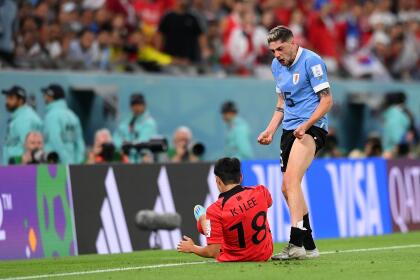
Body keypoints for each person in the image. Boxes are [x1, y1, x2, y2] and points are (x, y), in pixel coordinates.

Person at [257, 26, 333, 260]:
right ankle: (309, 246)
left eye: (280, 48)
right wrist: (270, 130)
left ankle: (295, 243)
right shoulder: (276, 66)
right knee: (287, 188)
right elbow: (282, 103)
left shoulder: (312, 61)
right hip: (290, 129)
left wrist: (307, 125)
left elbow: (327, 100)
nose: (277, 54)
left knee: (291, 182)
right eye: (272, 51)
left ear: (293, 43)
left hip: (311, 128)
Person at [177, 157, 273, 262]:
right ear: (240, 177)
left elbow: (213, 252)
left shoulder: (215, 210)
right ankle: (205, 222)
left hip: (237, 259)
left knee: (209, 221)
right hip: (265, 255)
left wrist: (192, 247)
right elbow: (269, 203)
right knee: (239, 218)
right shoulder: (261, 191)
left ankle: (203, 221)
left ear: (218, 181)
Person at [42, 84, 86, 164]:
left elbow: (54, 141)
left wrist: (66, 162)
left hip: (57, 165)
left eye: (45, 95)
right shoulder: (73, 115)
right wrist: (77, 162)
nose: (44, 97)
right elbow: (79, 142)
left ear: (51, 96)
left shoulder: (51, 115)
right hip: (73, 162)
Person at [2, 86, 42, 164]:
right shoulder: (22, 116)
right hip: (15, 166)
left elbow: (31, 147)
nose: (7, 101)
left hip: (20, 167)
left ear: (20, 101)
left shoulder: (24, 119)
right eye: (7, 98)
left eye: (11, 98)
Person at [113, 93, 158, 163]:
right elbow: (116, 140)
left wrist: (128, 145)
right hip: (125, 163)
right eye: (134, 104)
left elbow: (143, 144)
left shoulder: (150, 124)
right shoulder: (125, 123)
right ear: (130, 107)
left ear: (144, 105)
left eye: (139, 104)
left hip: (143, 164)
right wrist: (122, 148)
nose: (136, 107)